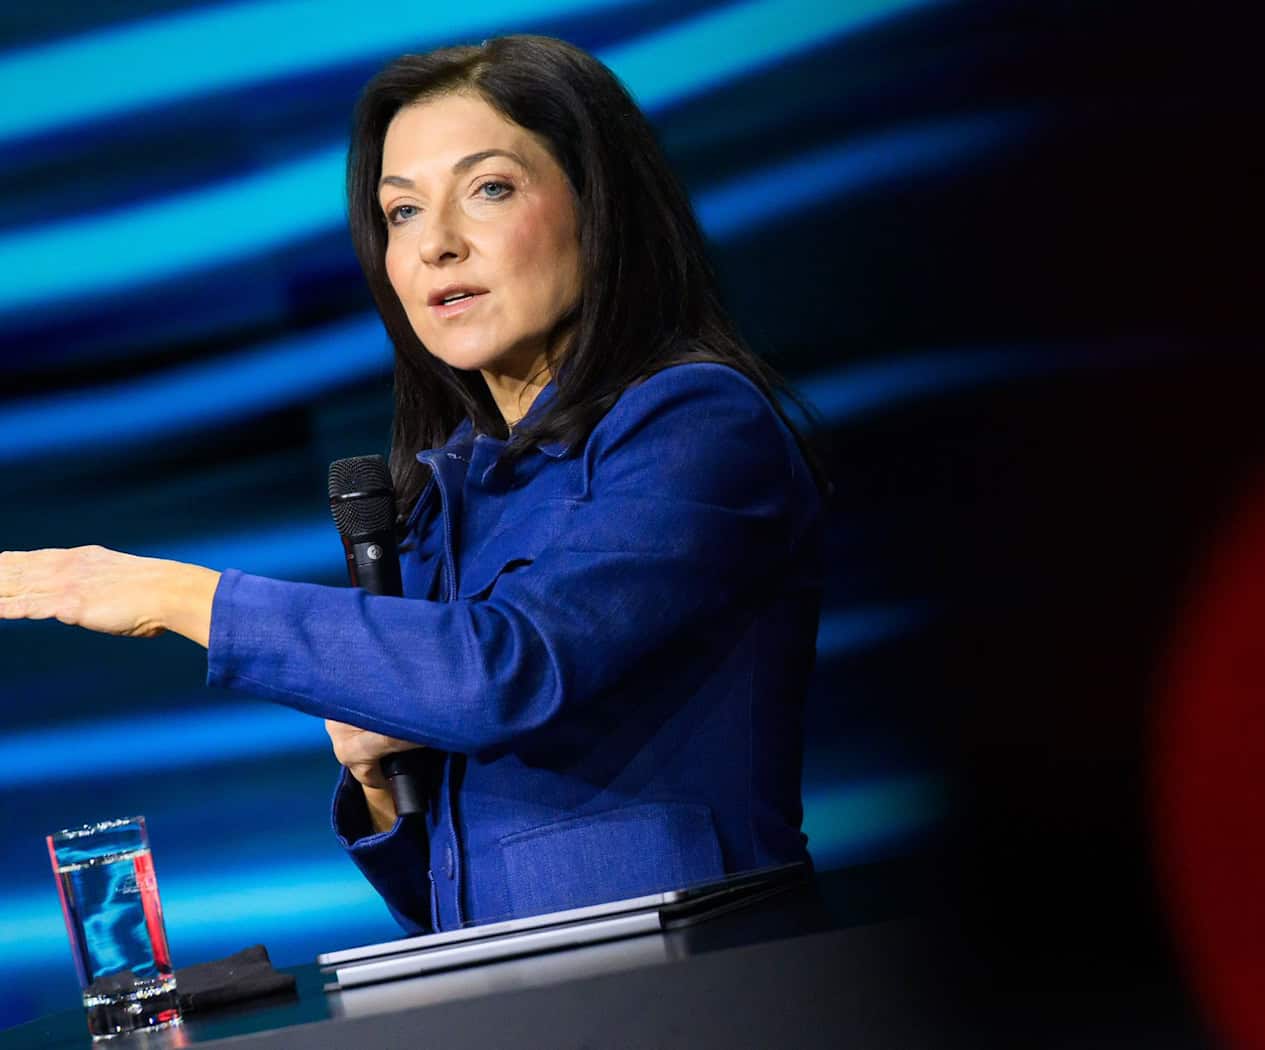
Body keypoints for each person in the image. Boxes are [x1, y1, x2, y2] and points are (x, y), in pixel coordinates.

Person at [0, 35, 827, 933]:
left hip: (712, 984)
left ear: (599, 208)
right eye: (400, 213)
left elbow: (508, 671)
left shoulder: (695, 424)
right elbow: (440, 906)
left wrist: (175, 594)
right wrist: (383, 792)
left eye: (489, 189)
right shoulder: (445, 494)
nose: (435, 244)